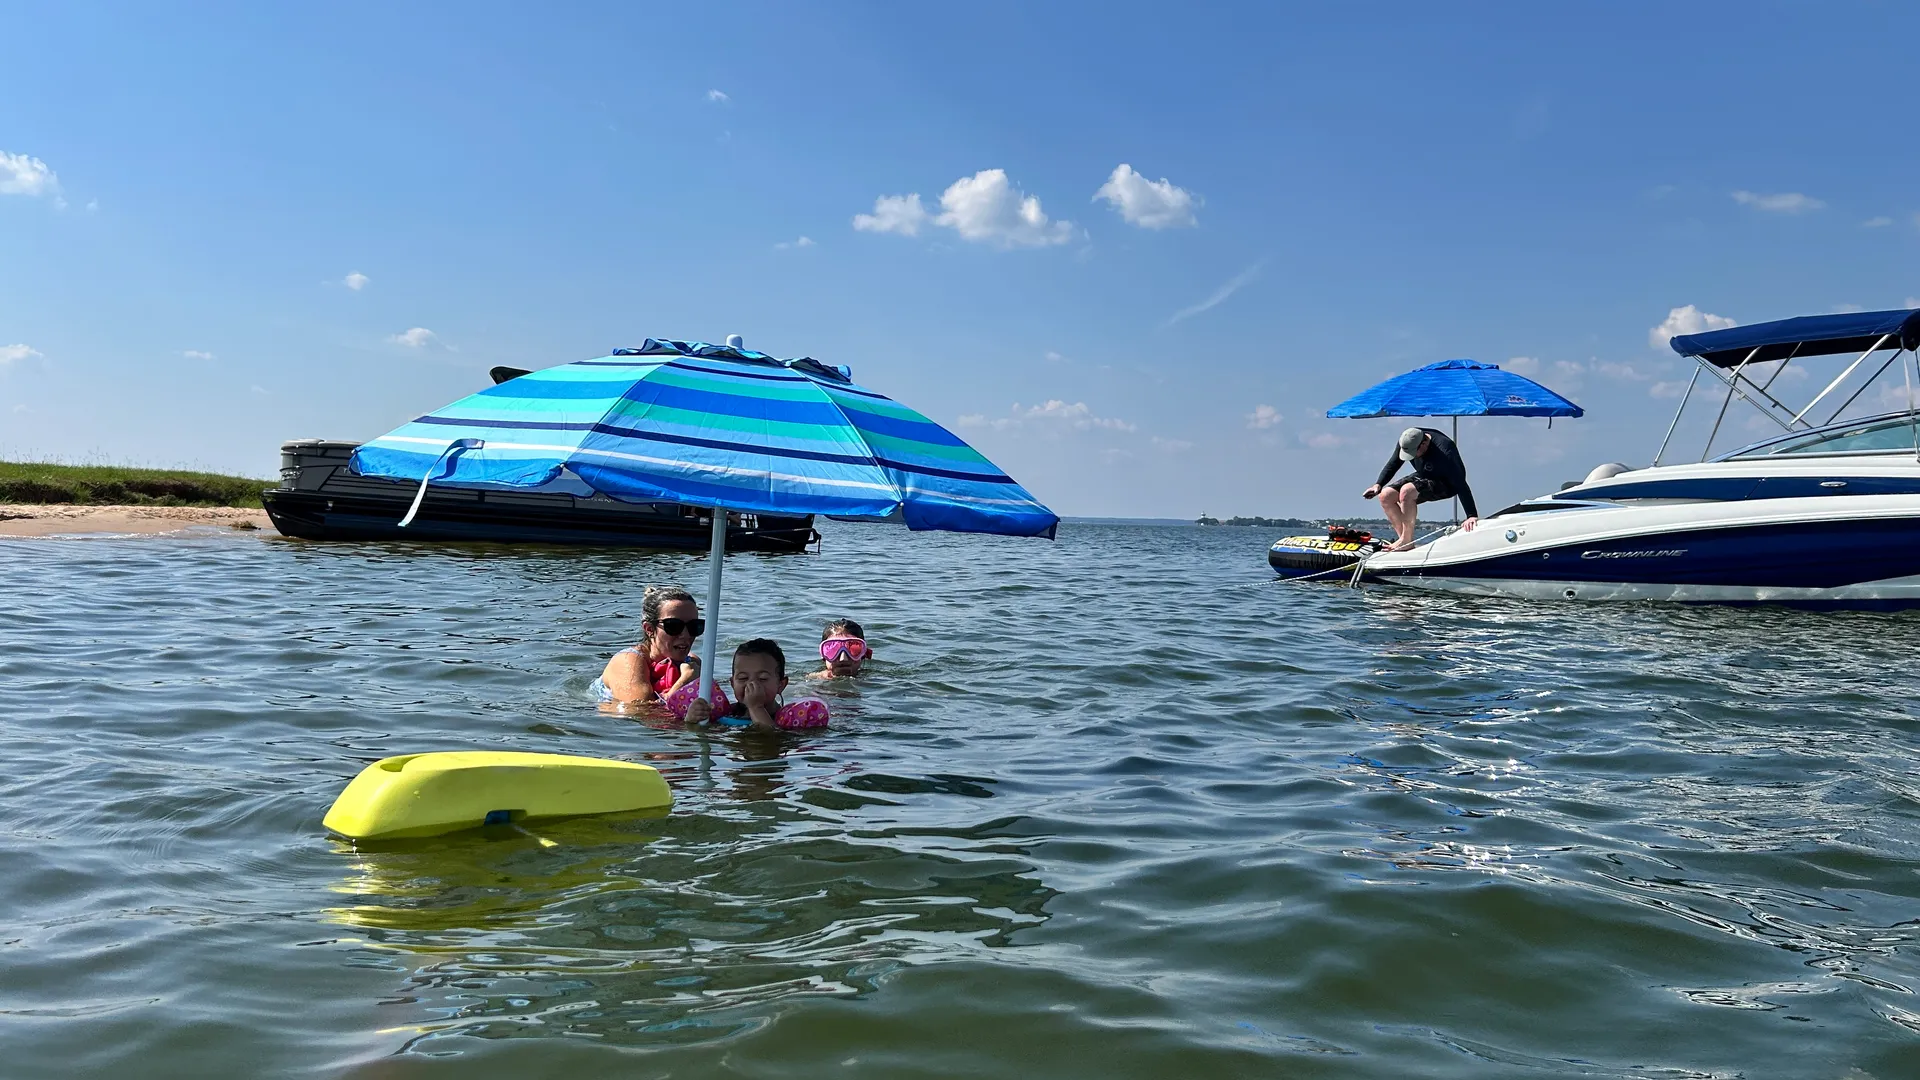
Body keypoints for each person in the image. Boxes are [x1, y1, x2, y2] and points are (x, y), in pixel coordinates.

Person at [1362, 426, 1479, 551]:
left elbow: (1460, 482)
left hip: (1447, 483)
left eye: (1414, 453)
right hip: (1424, 475)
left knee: (1407, 491)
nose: (1411, 457)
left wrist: (1471, 515)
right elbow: (1393, 463)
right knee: (1385, 495)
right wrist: (1378, 484)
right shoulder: (1408, 439)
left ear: (1424, 443)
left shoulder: (1445, 450)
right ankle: (1405, 540)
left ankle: (1405, 541)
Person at [675, 639, 830, 730]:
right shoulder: (726, 714)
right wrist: (692, 720)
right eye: (742, 679)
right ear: (732, 683)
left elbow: (772, 741)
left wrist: (756, 708)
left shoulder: (786, 721)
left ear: (781, 685)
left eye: (762, 679)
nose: (752, 684)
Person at [595, 586, 705, 706]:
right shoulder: (628, 660)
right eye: (673, 626)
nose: (685, 635)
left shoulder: (693, 662)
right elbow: (639, 712)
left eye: (694, 626)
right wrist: (685, 681)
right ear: (649, 629)